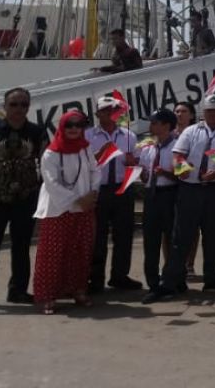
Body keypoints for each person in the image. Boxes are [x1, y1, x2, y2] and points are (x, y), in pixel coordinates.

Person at [148, 93, 215, 301]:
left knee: (214, 236)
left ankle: (212, 277)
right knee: (181, 237)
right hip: (191, 189)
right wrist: (181, 166)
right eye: (209, 111)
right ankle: (171, 282)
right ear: (203, 112)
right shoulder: (191, 131)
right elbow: (178, 154)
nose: (213, 114)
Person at [0, 87, 46, 308]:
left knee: (21, 247)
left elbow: (47, 166)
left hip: (25, 199)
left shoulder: (37, 132)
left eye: (24, 104)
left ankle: (18, 291)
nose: (19, 109)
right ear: (4, 106)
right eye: (14, 104)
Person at [32, 109, 100, 314]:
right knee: (52, 254)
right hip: (58, 210)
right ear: (61, 126)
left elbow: (95, 170)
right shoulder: (51, 153)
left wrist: (92, 193)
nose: (74, 129)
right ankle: (47, 297)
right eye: (69, 125)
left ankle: (78, 290)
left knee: (81, 250)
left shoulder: (85, 149)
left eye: (78, 125)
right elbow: (51, 183)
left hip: (84, 208)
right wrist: (77, 200)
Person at [86, 94, 140, 293]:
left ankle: (119, 276)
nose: (109, 113)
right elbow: (83, 162)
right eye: (105, 110)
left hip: (122, 188)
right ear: (97, 113)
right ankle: (95, 279)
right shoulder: (88, 136)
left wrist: (132, 162)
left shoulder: (129, 136)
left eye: (113, 110)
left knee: (124, 235)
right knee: (97, 236)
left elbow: (137, 162)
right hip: (99, 190)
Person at [139, 108, 179, 296]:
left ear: (166, 125)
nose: (151, 126)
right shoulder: (148, 148)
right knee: (151, 240)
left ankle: (172, 280)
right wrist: (143, 174)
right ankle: (153, 282)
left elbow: (183, 176)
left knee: (172, 239)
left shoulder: (177, 147)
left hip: (169, 194)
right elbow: (145, 175)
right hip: (152, 195)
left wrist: (166, 173)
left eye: (155, 122)